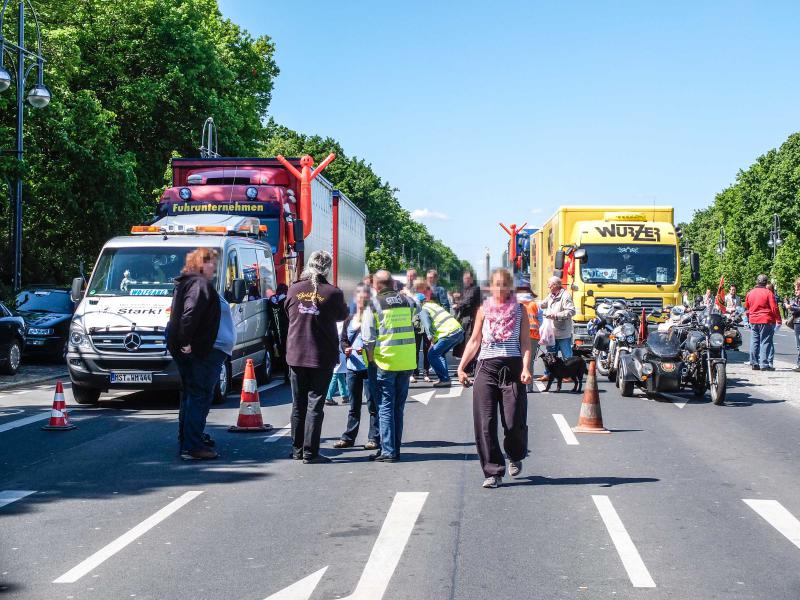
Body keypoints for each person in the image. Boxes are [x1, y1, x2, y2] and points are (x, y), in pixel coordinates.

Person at [457, 268, 532, 489]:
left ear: (510, 287)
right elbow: (474, 340)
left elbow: (526, 342)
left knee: (513, 422)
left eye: (504, 284)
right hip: (486, 368)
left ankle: (515, 454)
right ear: (491, 287)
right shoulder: (483, 310)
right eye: (496, 284)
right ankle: (492, 472)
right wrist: (461, 368)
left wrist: (526, 368)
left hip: (513, 367)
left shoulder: (520, 310)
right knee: (485, 422)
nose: (500, 288)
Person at [285, 250, 350, 463]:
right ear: (327, 268)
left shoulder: (294, 289)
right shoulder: (333, 292)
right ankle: (310, 452)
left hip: (296, 353)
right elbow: (342, 315)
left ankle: (297, 450)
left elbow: (288, 313)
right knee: (315, 404)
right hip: (321, 355)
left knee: (298, 404)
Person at [167, 248, 225, 461]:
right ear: (202, 264)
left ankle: (188, 441)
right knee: (199, 396)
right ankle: (193, 446)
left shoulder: (186, 282)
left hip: (186, 347)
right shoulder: (200, 285)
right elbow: (189, 314)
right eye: (212, 264)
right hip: (197, 351)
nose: (215, 269)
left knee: (191, 396)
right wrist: (187, 342)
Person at [362, 270, 418, 462]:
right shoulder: (407, 301)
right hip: (407, 361)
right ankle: (395, 448)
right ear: (393, 283)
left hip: (385, 362)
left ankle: (388, 451)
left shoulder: (374, 304)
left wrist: (370, 360)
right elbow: (418, 315)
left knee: (385, 406)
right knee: (398, 407)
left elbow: (368, 339)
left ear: (376, 286)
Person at [334, 285, 380, 449]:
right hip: (352, 367)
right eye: (359, 299)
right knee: (354, 406)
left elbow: (378, 339)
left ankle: (374, 438)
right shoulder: (349, 319)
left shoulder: (374, 318)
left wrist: (368, 348)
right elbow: (343, 339)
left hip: (369, 367)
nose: (361, 302)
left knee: (372, 405)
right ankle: (348, 438)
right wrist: (345, 348)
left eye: (365, 299)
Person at [416, 283, 465, 387]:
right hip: (458, 331)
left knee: (432, 354)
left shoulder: (423, 309)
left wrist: (431, 339)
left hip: (449, 333)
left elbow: (427, 325)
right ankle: (445, 378)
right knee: (440, 353)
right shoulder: (433, 305)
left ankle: (444, 379)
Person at [537, 275, 576, 381]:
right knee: (550, 355)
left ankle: (569, 375)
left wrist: (556, 315)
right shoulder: (551, 295)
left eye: (549, 284)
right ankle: (548, 374)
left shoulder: (565, 296)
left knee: (567, 355)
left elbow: (571, 311)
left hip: (563, 332)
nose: (548, 286)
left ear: (555, 285)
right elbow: (542, 304)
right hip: (551, 332)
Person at [745, 274, 781, 372]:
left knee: (754, 341)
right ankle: (764, 364)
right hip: (766, 320)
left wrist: (749, 317)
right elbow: (774, 308)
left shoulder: (750, 293)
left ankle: (754, 362)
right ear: (766, 282)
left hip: (753, 320)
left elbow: (747, 306)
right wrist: (778, 320)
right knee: (765, 341)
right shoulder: (769, 293)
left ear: (757, 281)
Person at [516, 285, 541, 392]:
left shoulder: (517, 305)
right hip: (533, 336)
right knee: (529, 362)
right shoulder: (534, 304)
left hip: (521, 336)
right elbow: (541, 320)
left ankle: (522, 385)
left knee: (520, 360)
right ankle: (528, 386)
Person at [457, 271, 482, 373]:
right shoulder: (464, 290)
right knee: (463, 344)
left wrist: (458, 304)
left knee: (470, 342)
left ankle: (469, 367)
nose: (466, 280)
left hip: (471, 319)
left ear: (472, 279)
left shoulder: (475, 289)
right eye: (465, 278)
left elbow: (468, 301)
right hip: (464, 319)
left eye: (468, 278)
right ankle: (466, 367)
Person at [268, 283, 290, 383]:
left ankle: (281, 372)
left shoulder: (271, 301)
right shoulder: (286, 300)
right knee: (288, 353)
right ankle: (287, 376)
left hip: (275, 331)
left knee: (280, 352)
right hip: (287, 330)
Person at [325, 323, 350, 406]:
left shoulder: (333, 321)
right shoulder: (341, 323)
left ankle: (344, 395)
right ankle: (328, 396)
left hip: (336, 350)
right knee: (335, 373)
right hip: (339, 350)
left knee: (340, 374)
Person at [784, 278, 800, 373]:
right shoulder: (797, 298)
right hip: (797, 321)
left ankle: (799, 364)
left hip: (798, 321)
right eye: (795, 289)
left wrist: (791, 307)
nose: (796, 291)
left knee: (799, 345)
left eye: (797, 289)